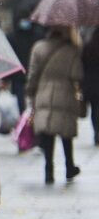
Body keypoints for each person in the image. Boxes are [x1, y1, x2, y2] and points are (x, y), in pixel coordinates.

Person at [26, 26, 84, 184]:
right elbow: (77, 74)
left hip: (43, 93)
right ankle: (69, 166)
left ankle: (48, 170)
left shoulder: (38, 48)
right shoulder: (72, 49)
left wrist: (30, 93)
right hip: (65, 94)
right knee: (66, 133)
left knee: (47, 133)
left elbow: (33, 75)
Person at [82, 27, 99, 145]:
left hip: (92, 85)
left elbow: (82, 65)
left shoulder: (89, 47)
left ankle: (97, 132)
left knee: (94, 110)